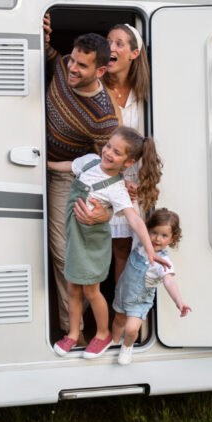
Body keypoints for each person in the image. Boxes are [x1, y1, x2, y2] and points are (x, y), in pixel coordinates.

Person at [47, 126, 166, 359]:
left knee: (91, 291)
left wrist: (150, 251)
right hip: (75, 236)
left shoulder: (116, 188)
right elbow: (68, 166)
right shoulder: (89, 162)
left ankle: (102, 334)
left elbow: (135, 219)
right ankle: (72, 333)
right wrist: (46, 165)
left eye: (117, 153)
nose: (109, 153)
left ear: (128, 162)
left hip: (92, 243)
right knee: (72, 287)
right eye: (109, 146)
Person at [44, 13, 118, 336]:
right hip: (34, 164)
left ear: (100, 71)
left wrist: (107, 209)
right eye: (72, 60)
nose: (72, 69)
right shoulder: (63, 68)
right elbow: (51, 60)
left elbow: (110, 169)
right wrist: (45, 40)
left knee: (65, 257)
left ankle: (72, 332)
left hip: (67, 179)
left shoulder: (103, 117)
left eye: (82, 66)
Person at [102, 23, 158, 283]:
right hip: (106, 176)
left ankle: (123, 317)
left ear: (134, 54)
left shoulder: (144, 93)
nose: (110, 48)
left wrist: (140, 182)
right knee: (103, 249)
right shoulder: (97, 88)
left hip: (134, 181)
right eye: (108, 42)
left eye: (119, 44)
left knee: (126, 250)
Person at [112, 208, 192, 365]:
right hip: (123, 292)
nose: (157, 239)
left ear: (172, 238)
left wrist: (179, 301)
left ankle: (127, 346)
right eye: (154, 233)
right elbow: (135, 217)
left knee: (131, 329)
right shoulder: (140, 244)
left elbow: (169, 281)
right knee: (118, 319)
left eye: (164, 236)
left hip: (139, 301)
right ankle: (114, 342)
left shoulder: (164, 262)